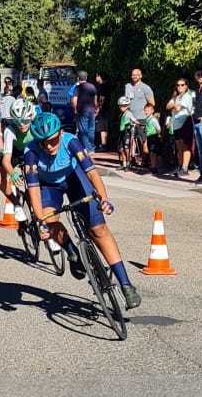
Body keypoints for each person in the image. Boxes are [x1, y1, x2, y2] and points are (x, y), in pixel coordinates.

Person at [22, 108, 142, 311]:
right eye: (45, 142)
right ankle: (71, 251)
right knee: (49, 219)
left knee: (98, 229)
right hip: (49, 186)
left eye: (53, 140)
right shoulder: (31, 153)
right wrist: (40, 221)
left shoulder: (70, 141)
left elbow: (92, 173)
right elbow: (33, 189)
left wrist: (104, 199)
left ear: (60, 133)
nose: (50, 146)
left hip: (74, 178)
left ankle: (126, 285)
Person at [165, 77, 195, 178]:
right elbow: (167, 106)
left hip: (185, 122)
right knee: (179, 147)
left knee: (186, 146)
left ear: (186, 86)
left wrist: (174, 106)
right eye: (178, 85)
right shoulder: (176, 97)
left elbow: (177, 108)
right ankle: (180, 166)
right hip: (176, 124)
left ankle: (185, 167)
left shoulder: (188, 96)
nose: (180, 87)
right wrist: (174, 105)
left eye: (182, 85)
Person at [72, 72, 99, 154]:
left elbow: (74, 100)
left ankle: (88, 148)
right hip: (92, 111)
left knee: (83, 130)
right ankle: (92, 147)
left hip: (82, 111)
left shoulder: (78, 88)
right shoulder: (92, 86)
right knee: (91, 129)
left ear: (78, 78)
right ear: (86, 77)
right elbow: (95, 99)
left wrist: (74, 109)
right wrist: (96, 108)